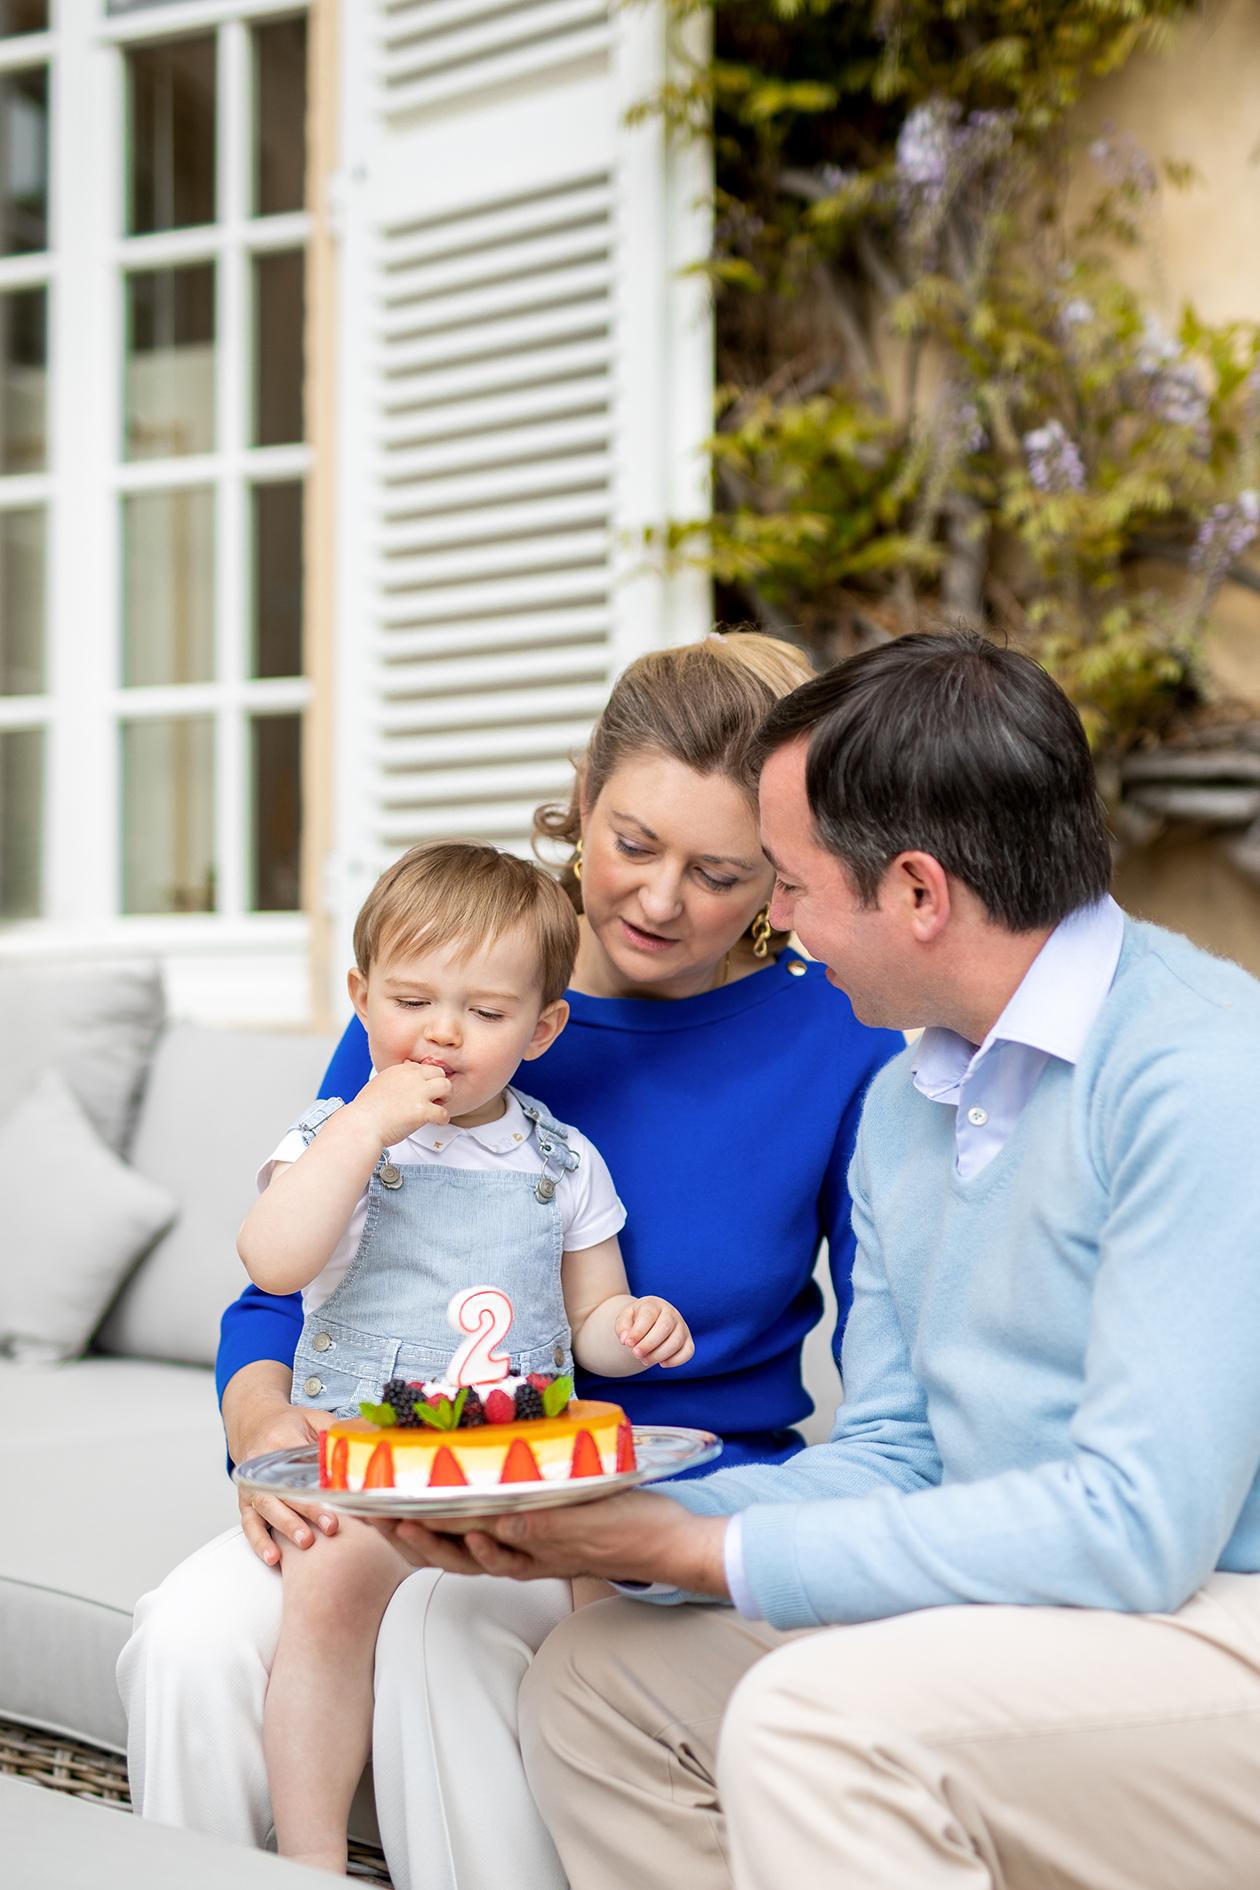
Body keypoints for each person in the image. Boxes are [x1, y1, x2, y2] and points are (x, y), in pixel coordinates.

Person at [376, 631, 1260, 1890]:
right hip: (1041, 1595)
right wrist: (605, 1529)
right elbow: (899, 1454)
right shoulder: (912, 1099)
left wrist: (693, 1551)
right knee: (601, 1680)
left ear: (915, 892)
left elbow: (1137, 1530)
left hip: (1217, 1609)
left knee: (814, 1722)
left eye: (784, 882)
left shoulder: (1204, 1077)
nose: (773, 924)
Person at [116, 631, 903, 1890]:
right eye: (633, 844)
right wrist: (264, 1425)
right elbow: (283, 1281)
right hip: (405, 1461)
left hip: (666, 1494)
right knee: (188, 1639)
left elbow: (891, 1365)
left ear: (781, 878)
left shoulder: (842, 1036)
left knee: (452, 1630)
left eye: (718, 873)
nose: (657, 900)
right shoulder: (451, 1001)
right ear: (581, 798)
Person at [235, 840, 692, 1874]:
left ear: (542, 1028)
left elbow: (593, 1320)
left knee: (608, 1584)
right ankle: (307, 1862)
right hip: (367, 1459)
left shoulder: (563, 1159)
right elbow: (271, 1257)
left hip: (514, 1465)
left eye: (485, 1015)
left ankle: (605, 1840)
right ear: (360, 999)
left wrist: (637, 1329)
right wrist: (363, 1129)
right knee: (327, 1589)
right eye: (411, 1001)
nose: (442, 1033)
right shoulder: (334, 1132)